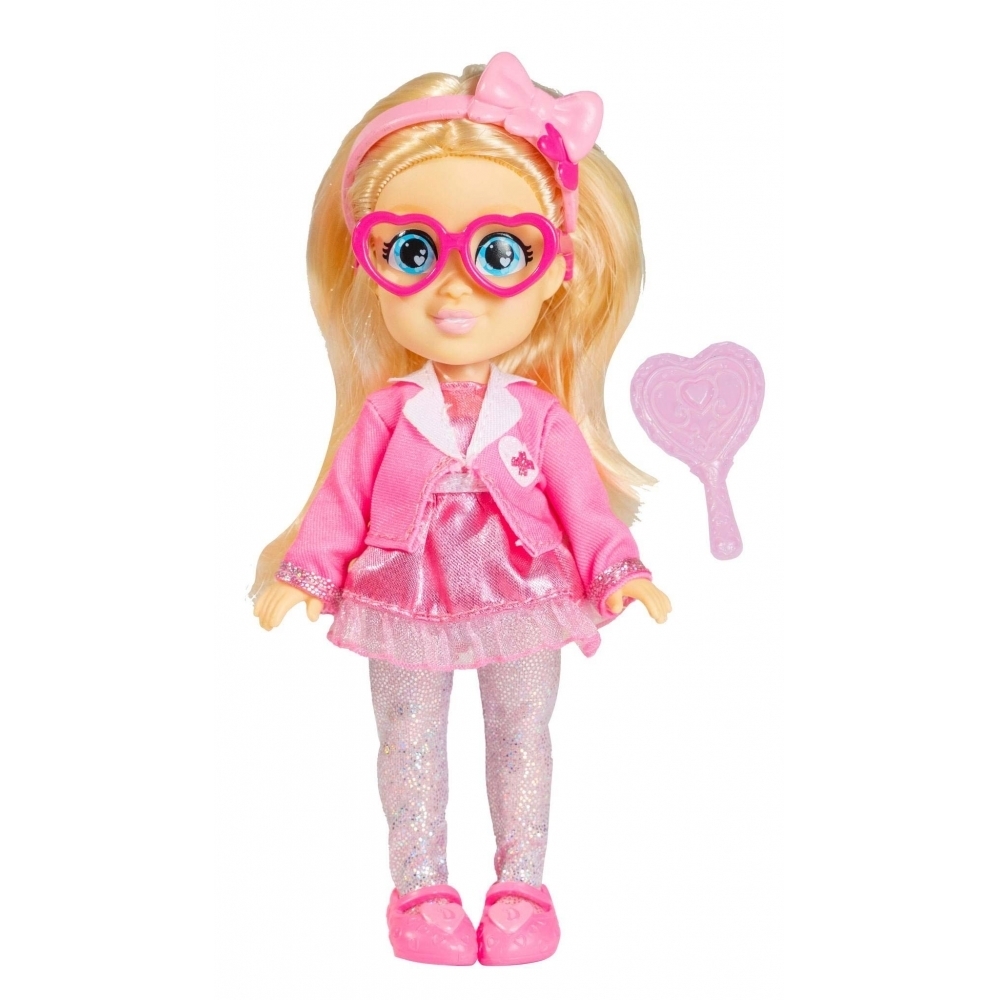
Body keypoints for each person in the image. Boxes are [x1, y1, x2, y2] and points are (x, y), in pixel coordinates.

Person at [253, 52, 671, 966]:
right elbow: (341, 499)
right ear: (368, 266)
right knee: (409, 740)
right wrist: (305, 575)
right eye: (412, 252)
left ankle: (522, 885)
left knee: (523, 735)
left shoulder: (539, 416)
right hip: (402, 590)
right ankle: (420, 889)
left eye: (498, 254)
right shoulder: (387, 413)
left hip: (524, 590)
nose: (453, 290)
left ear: (555, 271)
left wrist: (619, 571)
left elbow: (583, 506)